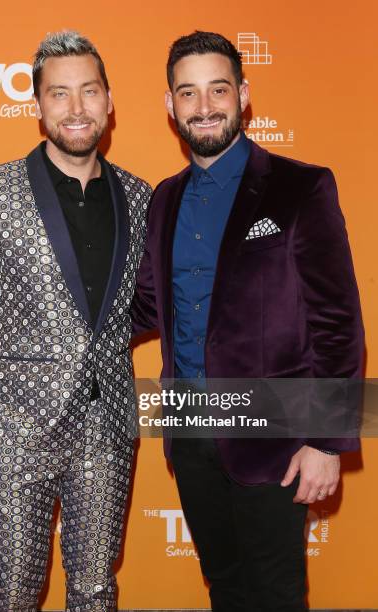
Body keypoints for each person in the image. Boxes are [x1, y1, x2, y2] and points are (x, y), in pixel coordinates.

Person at [132, 31, 364, 611]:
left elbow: (338, 322)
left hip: (275, 436)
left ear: (243, 94)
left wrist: (326, 441)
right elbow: (146, 307)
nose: (204, 106)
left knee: (276, 595)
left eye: (218, 89)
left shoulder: (301, 187)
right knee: (227, 587)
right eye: (188, 93)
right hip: (190, 433)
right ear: (170, 106)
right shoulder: (164, 199)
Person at [0, 30, 151, 612]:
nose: (76, 108)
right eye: (59, 94)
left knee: (94, 590)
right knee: (12, 592)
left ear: (110, 102)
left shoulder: (140, 197)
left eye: (89, 91)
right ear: (38, 106)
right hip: (16, 430)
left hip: (106, 427)